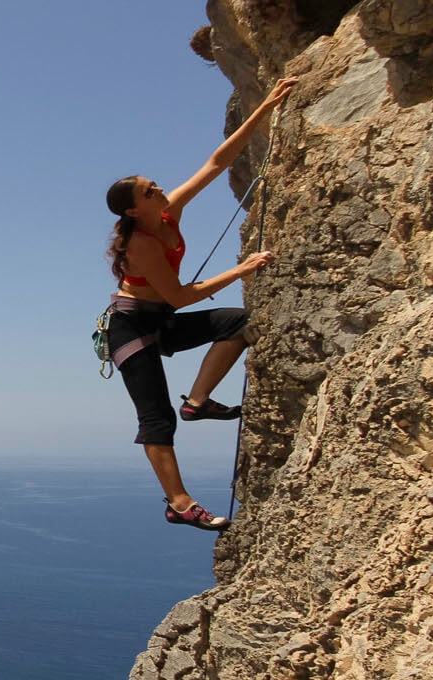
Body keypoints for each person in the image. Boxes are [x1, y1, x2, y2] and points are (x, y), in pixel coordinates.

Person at [104, 77, 296, 532]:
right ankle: (179, 502)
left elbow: (215, 163)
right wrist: (243, 269)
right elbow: (180, 296)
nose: (159, 190)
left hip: (159, 321)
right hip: (130, 329)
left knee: (241, 323)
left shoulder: (168, 210)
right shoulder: (141, 243)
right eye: (149, 190)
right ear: (133, 210)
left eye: (155, 185)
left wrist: (263, 107)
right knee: (156, 417)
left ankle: (199, 400)